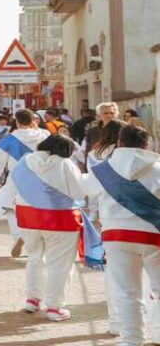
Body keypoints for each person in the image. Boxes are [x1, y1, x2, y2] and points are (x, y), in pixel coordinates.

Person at [84, 125, 160, 345]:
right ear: (146, 144)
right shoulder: (156, 168)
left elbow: (85, 189)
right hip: (154, 235)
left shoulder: (102, 170)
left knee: (128, 292)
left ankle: (132, 339)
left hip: (116, 236)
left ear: (119, 142)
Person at [10, 135, 93, 322]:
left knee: (34, 258)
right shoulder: (65, 164)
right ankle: (54, 307)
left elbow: (11, 187)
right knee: (60, 264)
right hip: (60, 219)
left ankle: (32, 299)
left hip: (27, 217)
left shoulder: (24, 161)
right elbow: (79, 192)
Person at [0, 109, 49, 257]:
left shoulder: (10, 139)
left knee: (8, 206)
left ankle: (19, 235)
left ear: (16, 122)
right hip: (40, 176)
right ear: (33, 121)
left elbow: (0, 162)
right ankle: (39, 240)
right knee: (39, 208)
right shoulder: (44, 135)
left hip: (16, 177)